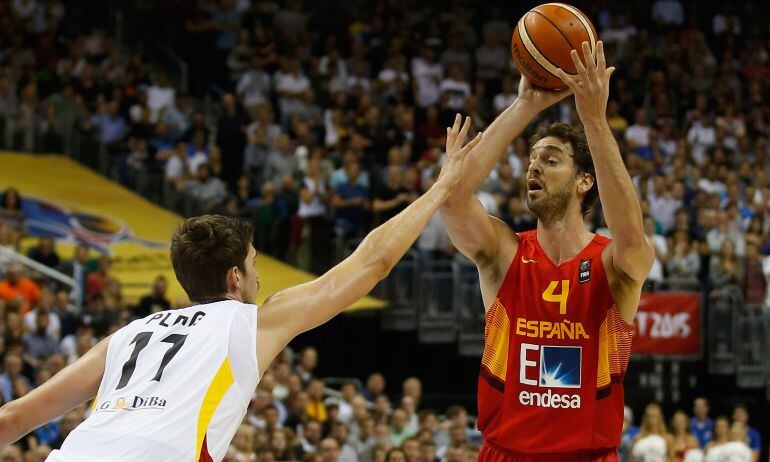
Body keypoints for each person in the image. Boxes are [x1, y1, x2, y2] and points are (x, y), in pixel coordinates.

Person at [0, 116, 483, 460]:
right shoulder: (251, 321)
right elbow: (373, 261)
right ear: (235, 277)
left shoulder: (128, 336)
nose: (257, 278)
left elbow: (13, 420)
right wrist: (441, 188)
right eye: (253, 267)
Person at [440, 41, 653, 460]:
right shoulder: (504, 252)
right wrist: (524, 105)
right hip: (505, 452)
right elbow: (452, 198)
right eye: (532, 160)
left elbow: (631, 235)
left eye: (551, 160)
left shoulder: (613, 263)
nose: (534, 167)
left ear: (584, 181)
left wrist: (594, 120)